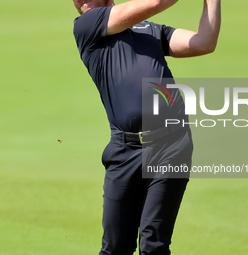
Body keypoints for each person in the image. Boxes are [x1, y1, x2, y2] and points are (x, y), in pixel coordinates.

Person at [72, 0, 221, 254]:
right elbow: (155, 2)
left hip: (171, 145)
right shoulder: (88, 25)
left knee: (154, 244)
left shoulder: (150, 30)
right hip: (124, 151)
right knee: (115, 247)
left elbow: (203, 42)